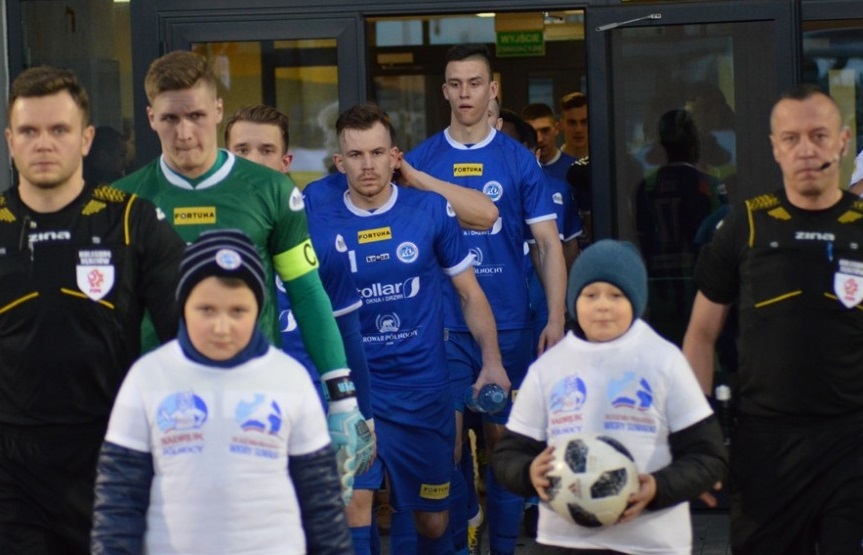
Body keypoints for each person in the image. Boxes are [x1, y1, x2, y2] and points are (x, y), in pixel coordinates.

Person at [113, 50, 371, 502]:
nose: (185, 132)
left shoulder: (271, 190)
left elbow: (308, 293)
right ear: (151, 117)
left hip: (253, 403)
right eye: (170, 118)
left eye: (196, 115)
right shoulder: (122, 201)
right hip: (160, 406)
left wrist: (343, 398)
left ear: (217, 110)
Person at [0, 66, 186, 553]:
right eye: (29, 131)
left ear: (85, 139)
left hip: (111, 451)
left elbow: (190, 338)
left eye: (59, 130)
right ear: (10, 141)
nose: (44, 143)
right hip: (10, 465)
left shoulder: (131, 221)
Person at [315, 103, 506, 554]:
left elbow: (470, 294)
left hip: (422, 390)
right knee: (355, 507)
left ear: (394, 156)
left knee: (432, 522)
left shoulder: (429, 210)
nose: (367, 165)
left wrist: (492, 361)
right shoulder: (316, 211)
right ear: (339, 162)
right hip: (355, 392)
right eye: (356, 155)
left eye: (377, 153)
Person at [682, 84, 863, 554]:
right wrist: (699, 437)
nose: (806, 150)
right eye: (791, 138)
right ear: (774, 147)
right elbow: (700, 335)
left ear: (843, 141)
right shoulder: (743, 225)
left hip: (852, 443)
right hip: (765, 446)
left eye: (819, 136)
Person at [91, 229, 351, 554]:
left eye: (238, 311)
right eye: (206, 309)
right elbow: (119, 500)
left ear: (258, 308)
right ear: (182, 305)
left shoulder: (290, 380)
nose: (222, 326)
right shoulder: (147, 377)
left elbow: (321, 504)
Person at [406, 43, 567, 555]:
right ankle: (460, 537)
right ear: (444, 90)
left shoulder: (518, 160)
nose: (465, 93)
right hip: (445, 326)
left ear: (492, 89)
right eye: (455, 84)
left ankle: (503, 548)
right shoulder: (422, 160)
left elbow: (548, 245)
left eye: (475, 83)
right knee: (447, 446)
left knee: (503, 446)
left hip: (511, 323)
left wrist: (556, 317)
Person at [495, 240, 727, 554]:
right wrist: (528, 473)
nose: (602, 305)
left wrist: (658, 487)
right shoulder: (548, 367)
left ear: (636, 299)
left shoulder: (664, 360)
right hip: (564, 543)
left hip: (650, 544)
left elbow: (709, 457)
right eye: (590, 295)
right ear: (574, 300)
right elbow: (507, 455)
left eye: (616, 295)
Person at [223, 104, 377, 551]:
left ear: (286, 161)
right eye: (242, 150)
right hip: (230, 417)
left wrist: (361, 416)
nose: (254, 161)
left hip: (311, 415)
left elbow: (349, 337)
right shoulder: (198, 238)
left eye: (266, 150)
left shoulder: (322, 239)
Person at [634, 109, 727, 345]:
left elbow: (642, 238)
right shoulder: (709, 185)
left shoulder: (646, 186)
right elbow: (721, 240)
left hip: (658, 287)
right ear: (695, 145)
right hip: (699, 286)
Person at [521, 102, 576, 183]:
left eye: (545, 130)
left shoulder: (574, 168)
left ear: (556, 128)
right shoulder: (518, 171)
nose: (539, 139)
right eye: (533, 132)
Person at [559, 92, 589, 161]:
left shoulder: (605, 161)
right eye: (572, 123)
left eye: (584, 122)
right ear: (561, 125)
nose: (578, 130)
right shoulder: (550, 164)